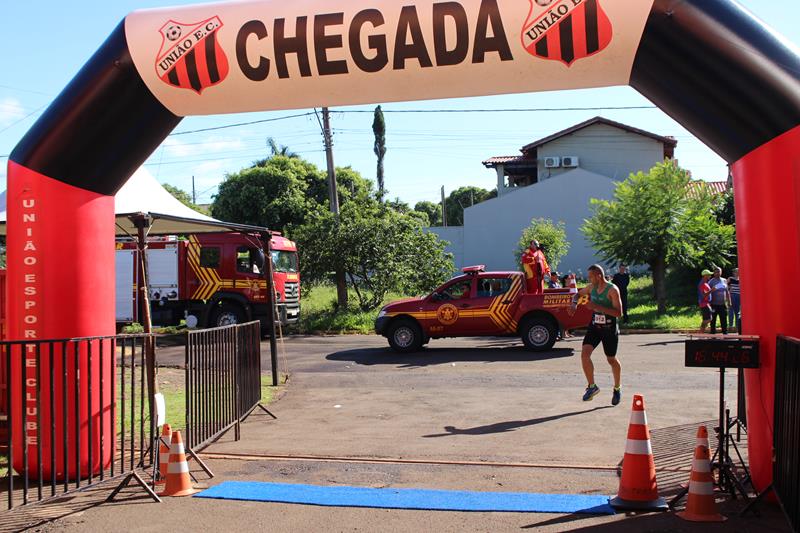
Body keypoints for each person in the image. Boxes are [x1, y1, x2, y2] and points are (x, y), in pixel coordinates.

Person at [570, 264, 623, 405]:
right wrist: (574, 303)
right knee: (584, 354)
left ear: (598, 276)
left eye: (590, 276)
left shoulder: (612, 290)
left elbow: (619, 313)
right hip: (595, 327)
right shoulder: (591, 287)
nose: (589, 279)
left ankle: (617, 388)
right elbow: (578, 294)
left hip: (609, 328)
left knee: (611, 360)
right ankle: (592, 387)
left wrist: (597, 307)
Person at [708, 266, 730, 334]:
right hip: (713, 304)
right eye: (716, 272)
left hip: (723, 304)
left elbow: (727, 291)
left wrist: (729, 301)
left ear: (721, 272)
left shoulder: (724, 280)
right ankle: (712, 333)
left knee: (724, 319)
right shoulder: (711, 281)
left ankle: (725, 332)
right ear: (714, 273)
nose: (717, 273)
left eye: (719, 272)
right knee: (713, 319)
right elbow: (707, 292)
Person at [727, 267, 741, 334]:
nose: (737, 273)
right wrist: (728, 294)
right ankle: (730, 326)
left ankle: (737, 327)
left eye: (738, 271)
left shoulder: (741, 279)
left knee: (737, 312)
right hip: (732, 295)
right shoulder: (730, 279)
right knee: (730, 311)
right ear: (734, 272)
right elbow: (726, 287)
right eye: (736, 271)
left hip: (739, 296)